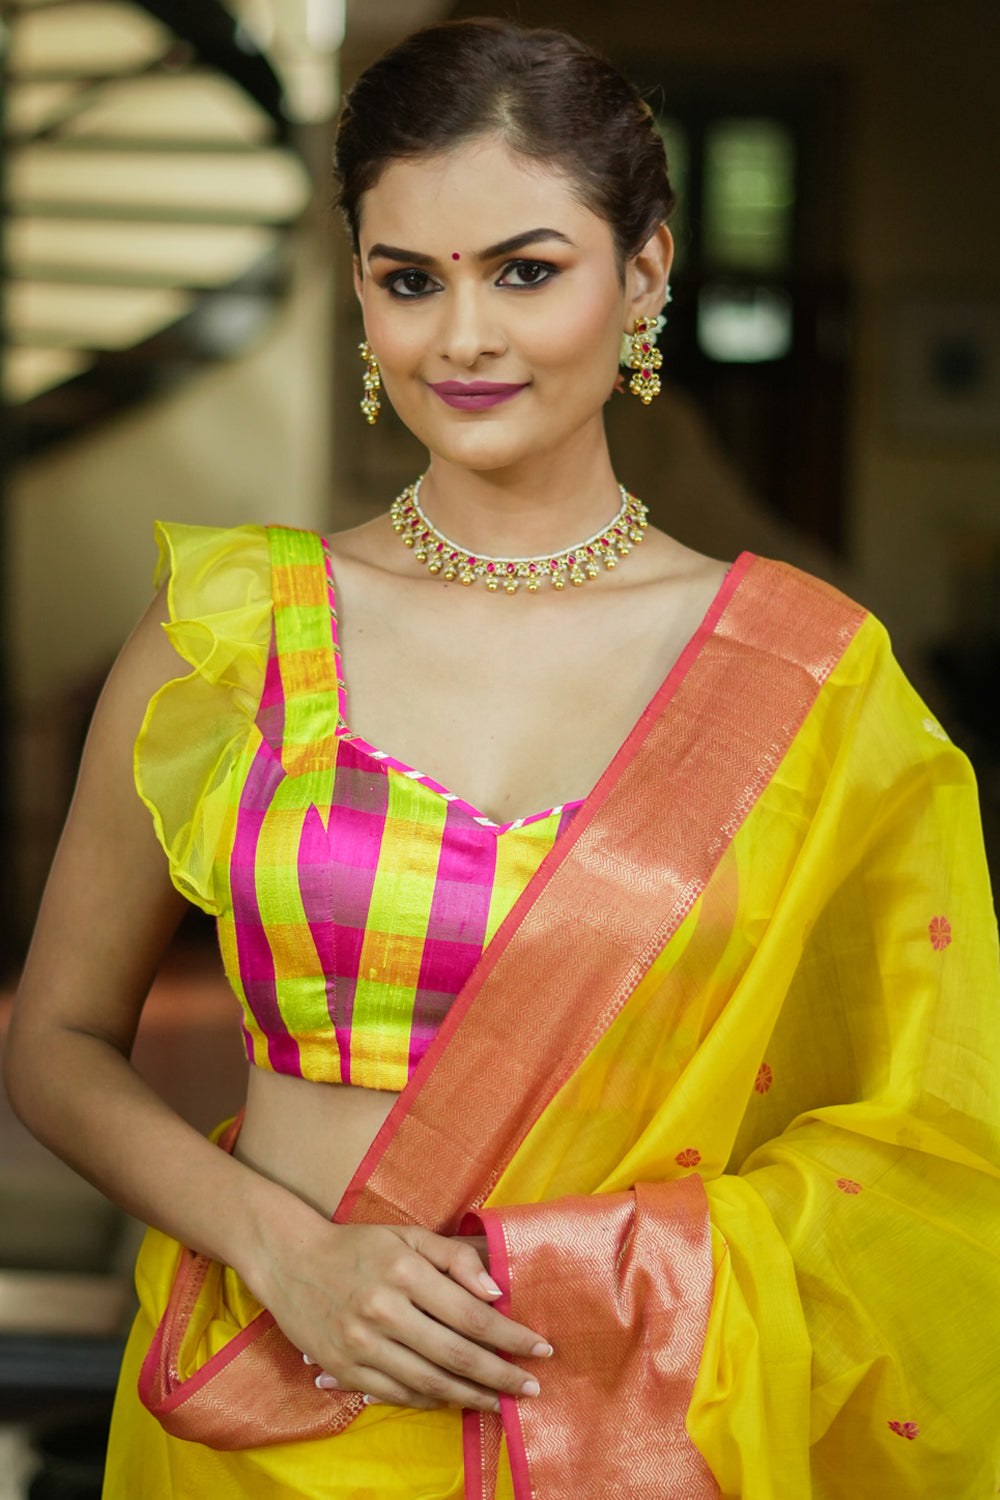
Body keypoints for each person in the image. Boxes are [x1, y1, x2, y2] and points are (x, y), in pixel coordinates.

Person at [5, 18, 1000, 1500]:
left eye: (525, 270)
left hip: (637, 1426)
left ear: (645, 272)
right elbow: (54, 1041)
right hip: (262, 1403)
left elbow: (929, 1139)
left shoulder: (802, 677)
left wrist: (614, 1280)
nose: (462, 338)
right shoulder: (235, 634)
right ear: (359, 290)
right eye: (411, 280)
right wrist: (285, 1250)